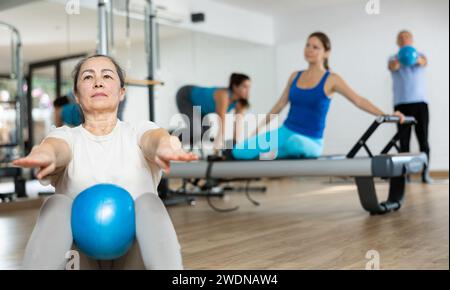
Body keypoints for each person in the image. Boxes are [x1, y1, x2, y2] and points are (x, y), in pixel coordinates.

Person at [13, 54, 197, 270]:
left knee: (149, 202)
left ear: (121, 92)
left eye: (107, 76)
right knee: (56, 204)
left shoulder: (138, 131)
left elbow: (154, 139)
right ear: (77, 95)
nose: (98, 82)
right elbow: (55, 148)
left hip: (132, 257)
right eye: (88, 77)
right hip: (80, 260)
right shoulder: (67, 136)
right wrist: (44, 154)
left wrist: (165, 146)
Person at [232, 32, 405, 160]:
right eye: (307, 45)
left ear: (326, 52)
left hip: (310, 140)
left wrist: (387, 115)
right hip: (285, 131)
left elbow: (359, 100)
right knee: (239, 151)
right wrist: (256, 131)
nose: (309, 50)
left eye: (315, 47)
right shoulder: (295, 76)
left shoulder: (331, 79)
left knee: (295, 143)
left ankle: (274, 153)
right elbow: (278, 106)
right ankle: (274, 152)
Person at [388, 30, 432, 183]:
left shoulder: (421, 56)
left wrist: (413, 57)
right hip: (401, 105)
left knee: (423, 140)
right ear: (397, 41)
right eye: (400, 37)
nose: (403, 38)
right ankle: (405, 175)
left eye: (406, 36)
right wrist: (401, 58)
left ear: (411, 40)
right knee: (404, 142)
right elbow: (393, 67)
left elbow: (423, 62)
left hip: (420, 103)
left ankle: (425, 174)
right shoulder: (393, 59)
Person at [175, 73, 251, 149]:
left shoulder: (240, 103)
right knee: (197, 132)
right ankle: (170, 138)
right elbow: (222, 123)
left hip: (201, 108)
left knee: (204, 133)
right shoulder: (223, 95)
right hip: (186, 96)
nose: (248, 91)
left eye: (249, 87)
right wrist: (216, 147)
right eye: (244, 87)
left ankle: (178, 140)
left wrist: (235, 144)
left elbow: (238, 123)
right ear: (235, 87)